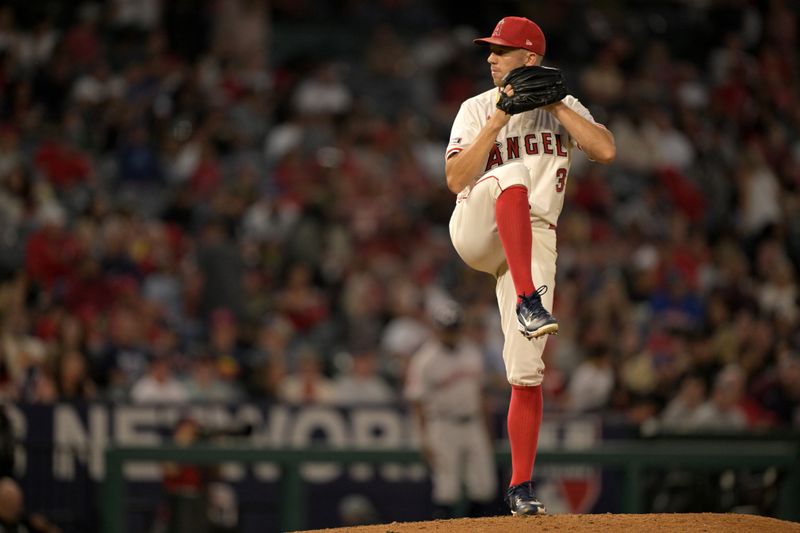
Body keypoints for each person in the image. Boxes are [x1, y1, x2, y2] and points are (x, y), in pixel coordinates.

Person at [445, 16, 616, 515]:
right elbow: (456, 178)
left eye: (501, 50)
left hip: (534, 234)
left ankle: (520, 488)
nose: (490, 57)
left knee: (527, 372)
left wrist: (559, 103)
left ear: (531, 59)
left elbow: (605, 149)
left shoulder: (561, 107)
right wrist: (498, 120)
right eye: (490, 49)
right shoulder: (477, 107)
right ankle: (527, 299)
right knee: (511, 174)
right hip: (478, 224)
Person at [404, 298, 497, 519]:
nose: (451, 333)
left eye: (454, 328)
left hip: (472, 422)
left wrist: (487, 428)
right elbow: (416, 402)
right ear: (436, 329)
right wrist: (422, 437)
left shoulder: (472, 352)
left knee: (484, 485)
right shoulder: (424, 360)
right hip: (442, 424)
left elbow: (481, 394)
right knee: (447, 489)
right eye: (447, 329)